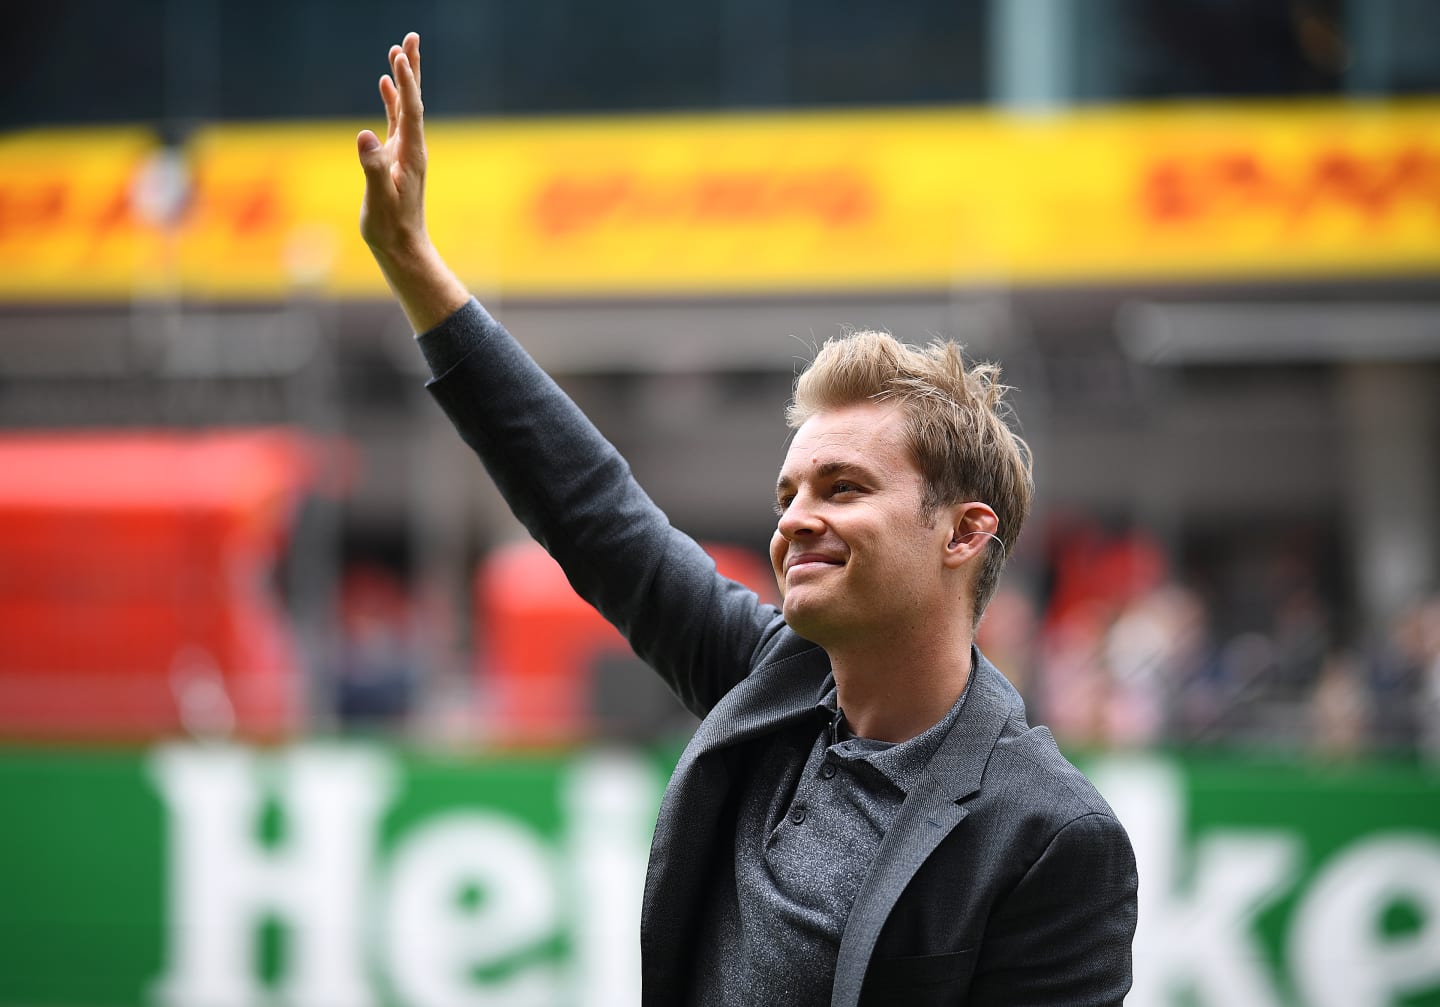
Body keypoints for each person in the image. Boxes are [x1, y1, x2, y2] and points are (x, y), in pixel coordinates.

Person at [357, 33, 1137, 1007]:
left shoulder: (1054, 835)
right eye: (788, 494)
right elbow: (593, 510)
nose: (798, 520)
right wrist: (416, 267)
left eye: (843, 488)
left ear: (964, 531)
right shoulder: (775, 681)